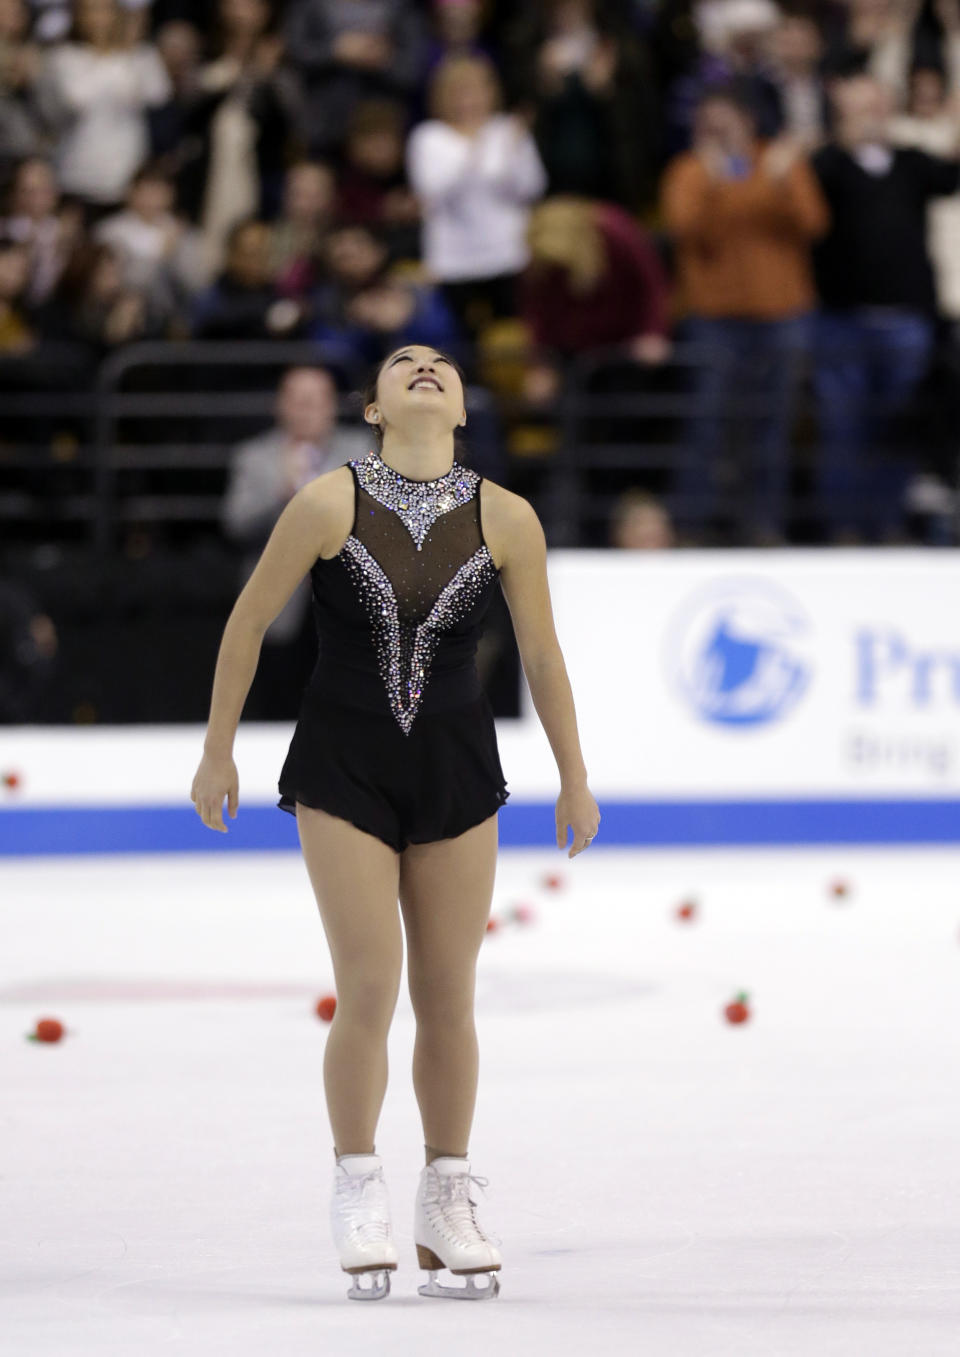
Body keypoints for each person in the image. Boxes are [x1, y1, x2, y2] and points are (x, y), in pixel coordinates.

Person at [189, 342, 600, 1302]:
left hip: (457, 769)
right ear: (371, 408)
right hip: (344, 767)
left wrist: (573, 775)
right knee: (370, 985)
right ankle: (358, 1181)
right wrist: (218, 749)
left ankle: (446, 1194)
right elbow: (247, 622)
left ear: (461, 407)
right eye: (401, 363)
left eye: (441, 364)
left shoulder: (509, 516)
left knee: (450, 992)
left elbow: (541, 655)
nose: (424, 366)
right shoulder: (329, 500)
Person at [661, 86, 829, 543]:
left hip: (783, 315)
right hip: (714, 319)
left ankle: (764, 525)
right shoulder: (690, 171)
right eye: (707, 124)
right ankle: (693, 526)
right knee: (707, 422)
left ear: (748, 122)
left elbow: (812, 223)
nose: (717, 132)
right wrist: (717, 186)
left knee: (773, 425)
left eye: (726, 122)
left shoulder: (778, 162)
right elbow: (686, 229)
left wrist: (776, 181)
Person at [810, 74, 960, 540]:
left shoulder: (911, 163)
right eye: (857, 110)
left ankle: (890, 522)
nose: (868, 119)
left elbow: (950, 176)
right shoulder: (827, 165)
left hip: (905, 319)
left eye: (874, 108)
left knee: (899, 426)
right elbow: (808, 190)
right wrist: (838, 145)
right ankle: (845, 526)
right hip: (842, 320)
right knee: (843, 426)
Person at [220, 365, 367, 719]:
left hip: (347, 604)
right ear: (281, 406)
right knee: (279, 705)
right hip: (279, 604)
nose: (306, 410)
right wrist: (280, 495)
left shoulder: (362, 451)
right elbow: (235, 523)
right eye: (298, 401)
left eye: (315, 401)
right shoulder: (254, 456)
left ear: (332, 406)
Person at [406, 53, 547, 342]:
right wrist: (477, 146)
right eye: (459, 92)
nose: (468, 100)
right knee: (461, 343)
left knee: (511, 340)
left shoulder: (507, 131)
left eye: (476, 90)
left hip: (508, 254)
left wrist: (514, 150)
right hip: (454, 260)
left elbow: (531, 188)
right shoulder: (429, 138)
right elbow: (433, 191)